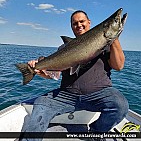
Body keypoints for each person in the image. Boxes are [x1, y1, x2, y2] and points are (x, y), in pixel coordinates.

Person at [21, 10, 129, 141]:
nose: (79, 25)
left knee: (120, 105)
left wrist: (114, 38)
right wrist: (38, 70)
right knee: (41, 103)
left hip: (99, 94)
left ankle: (95, 133)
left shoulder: (107, 45)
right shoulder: (63, 48)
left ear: (89, 23)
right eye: (75, 23)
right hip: (66, 95)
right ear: (71, 27)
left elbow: (119, 66)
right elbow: (54, 75)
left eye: (82, 21)